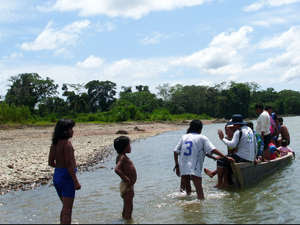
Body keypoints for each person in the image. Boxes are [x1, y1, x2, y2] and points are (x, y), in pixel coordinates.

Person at [173, 119, 232, 199]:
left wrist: (177, 166)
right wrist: (225, 157)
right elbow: (213, 149)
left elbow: (176, 151)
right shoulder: (202, 138)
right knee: (200, 193)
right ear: (200, 129)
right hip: (195, 167)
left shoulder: (184, 137)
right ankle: (199, 209)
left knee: (188, 193)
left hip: (183, 167)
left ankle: (188, 208)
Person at [48, 119, 81, 224]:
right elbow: (69, 164)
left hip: (57, 176)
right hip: (67, 178)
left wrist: (59, 168)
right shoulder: (67, 144)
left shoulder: (55, 144)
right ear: (65, 131)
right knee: (68, 210)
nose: (73, 131)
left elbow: (50, 162)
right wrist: (75, 181)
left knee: (65, 207)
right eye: (71, 129)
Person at [216, 114, 256, 188]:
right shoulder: (249, 130)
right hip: (250, 157)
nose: (233, 126)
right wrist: (254, 157)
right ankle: (226, 182)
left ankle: (220, 183)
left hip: (242, 157)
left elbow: (232, 145)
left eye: (234, 124)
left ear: (237, 124)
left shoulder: (238, 131)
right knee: (227, 160)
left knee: (220, 160)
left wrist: (222, 138)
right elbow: (255, 144)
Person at [114, 136, 137, 220]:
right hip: (127, 185)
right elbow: (117, 169)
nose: (130, 147)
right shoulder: (122, 157)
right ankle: (128, 220)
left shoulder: (122, 156)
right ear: (124, 147)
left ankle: (125, 219)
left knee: (126, 206)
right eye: (129, 145)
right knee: (129, 207)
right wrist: (126, 178)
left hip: (128, 185)